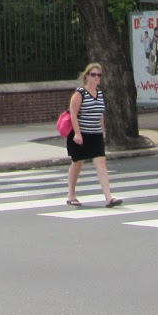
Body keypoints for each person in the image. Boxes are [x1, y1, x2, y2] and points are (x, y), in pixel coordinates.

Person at [65, 62, 121, 208]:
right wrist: (77, 134)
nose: (96, 77)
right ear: (86, 77)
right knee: (77, 163)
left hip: (95, 134)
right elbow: (73, 113)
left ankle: (108, 197)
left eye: (99, 75)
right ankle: (71, 195)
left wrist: (102, 130)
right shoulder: (80, 93)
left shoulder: (100, 93)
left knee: (101, 163)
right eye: (93, 74)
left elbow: (100, 113)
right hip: (81, 134)